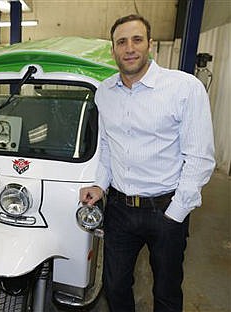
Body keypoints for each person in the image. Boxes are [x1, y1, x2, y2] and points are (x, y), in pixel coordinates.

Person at [79, 14, 215, 312]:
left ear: (150, 44)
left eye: (137, 40)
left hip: (165, 210)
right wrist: (99, 185)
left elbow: (200, 157)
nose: (129, 48)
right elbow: (106, 146)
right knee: (114, 287)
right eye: (121, 42)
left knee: (166, 292)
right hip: (119, 210)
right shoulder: (104, 92)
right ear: (112, 50)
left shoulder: (183, 88)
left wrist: (176, 212)